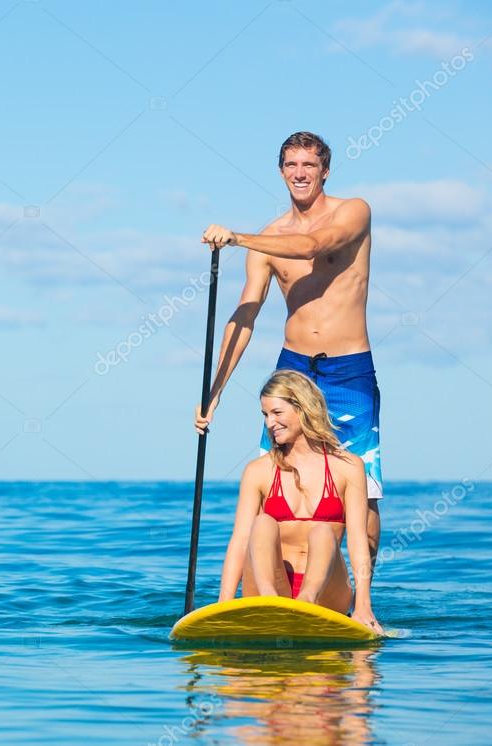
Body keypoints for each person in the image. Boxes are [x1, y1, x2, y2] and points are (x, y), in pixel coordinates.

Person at [195, 130, 383, 580]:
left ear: (325, 171)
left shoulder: (354, 212)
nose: (300, 174)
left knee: (362, 487)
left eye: (309, 166)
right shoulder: (268, 239)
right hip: (293, 369)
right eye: (292, 165)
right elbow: (245, 316)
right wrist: (213, 392)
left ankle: (359, 594)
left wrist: (238, 238)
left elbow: (315, 245)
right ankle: (273, 587)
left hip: (348, 370)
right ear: (281, 171)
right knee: (276, 479)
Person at [220, 370, 381, 633]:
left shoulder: (349, 467)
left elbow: (357, 541)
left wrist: (363, 605)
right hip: (267, 586)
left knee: (322, 532)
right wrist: (223, 605)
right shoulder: (258, 471)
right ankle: (270, 603)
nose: (270, 423)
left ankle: (306, 602)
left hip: (327, 592)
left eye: (277, 413)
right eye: (265, 415)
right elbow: (239, 542)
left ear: (302, 408)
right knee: (261, 523)